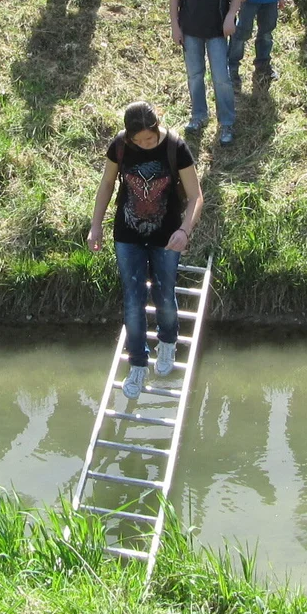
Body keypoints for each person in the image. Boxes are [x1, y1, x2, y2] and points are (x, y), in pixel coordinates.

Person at [86, 101, 203, 403]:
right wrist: (95, 225)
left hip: (167, 236)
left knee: (164, 293)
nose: (144, 144)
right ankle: (137, 363)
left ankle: (167, 341)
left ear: (156, 126)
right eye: (138, 141)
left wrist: (184, 230)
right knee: (133, 299)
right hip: (127, 234)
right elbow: (108, 183)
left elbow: (195, 196)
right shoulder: (120, 146)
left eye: (148, 139)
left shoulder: (176, 147)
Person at [170, 0, 242, 145]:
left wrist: (231, 17)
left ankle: (227, 122)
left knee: (221, 77)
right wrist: (175, 27)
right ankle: (199, 115)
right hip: (190, 31)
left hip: (217, 33)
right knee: (195, 75)